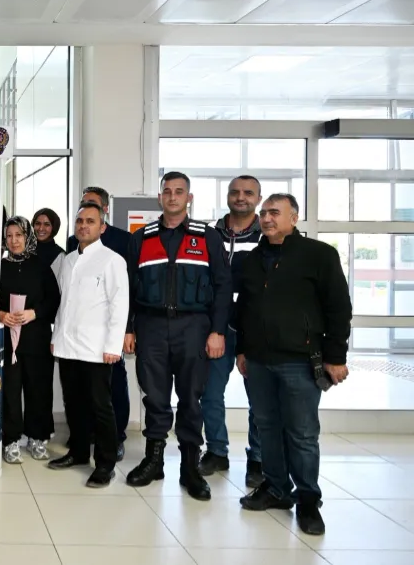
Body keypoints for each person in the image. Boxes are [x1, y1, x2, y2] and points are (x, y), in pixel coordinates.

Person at [237, 193, 351, 536]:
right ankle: (276, 489)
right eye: (264, 213)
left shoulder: (319, 255)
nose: (267, 218)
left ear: (294, 218)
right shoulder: (253, 259)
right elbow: (244, 309)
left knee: (302, 433)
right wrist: (242, 350)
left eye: (275, 212)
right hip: (258, 361)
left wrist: (336, 356)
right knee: (267, 428)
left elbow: (338, 307)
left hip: (300, 361)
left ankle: (308, 500)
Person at [123, 172, 232, 501]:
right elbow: (128, 287)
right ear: (160, 198)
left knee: (190, 399)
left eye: (179, 191)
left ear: (189, 198)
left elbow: (223, 287)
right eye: (167, 191)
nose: (172, 196)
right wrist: (128, 328)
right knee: (155, 398)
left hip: (194, 328)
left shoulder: (208, 237)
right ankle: (154, 461)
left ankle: (190, 467)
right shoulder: (141, 238)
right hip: (151, 327)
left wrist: (217, 331)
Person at [50, 202, 128, 487]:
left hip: (97, 349)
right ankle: (79, 452)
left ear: (102, 227)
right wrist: (56, 338)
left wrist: (113, 346)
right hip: (67, 344)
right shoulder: (68, 260)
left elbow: (120, 305)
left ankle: (105, 464)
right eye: (80, 221)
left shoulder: (112, 260)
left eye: (90, 221)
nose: (83, 226)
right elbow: (64, 304)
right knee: (73, 403)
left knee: (100, 406)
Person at [200, 176, 265, 487]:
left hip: (255, 329)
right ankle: (216, 450)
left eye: (248, 193)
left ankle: (258, 458)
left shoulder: (268, 236)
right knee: (210, 393)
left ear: (258, 198)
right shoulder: (209, 235)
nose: (241, 197)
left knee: (260, 398)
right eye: (235, 192)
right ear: (227, 196)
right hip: (217, 328)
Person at [70, 186, 132, 461]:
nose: (85, 221)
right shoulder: (73, 244)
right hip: (79, 335)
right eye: (82, 208)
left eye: (92, 206)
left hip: (107, 335)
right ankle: (83, 441)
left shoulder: (122, 242)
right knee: (81, 393)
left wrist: (125, 331)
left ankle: (115, 440)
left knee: (111, 390)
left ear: (104, 213)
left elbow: (124, 295)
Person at [0, 216, 60, 464]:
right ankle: (11, 440)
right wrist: (2, 315)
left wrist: (34, 313)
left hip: (37, 338)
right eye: (9, 236)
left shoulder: (41, 266)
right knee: (10, 391)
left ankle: (37, 437)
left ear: (28, 237)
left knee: (38, 390)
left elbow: (54, 300)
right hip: (8, 340)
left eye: (19, 235)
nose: (14, 241)